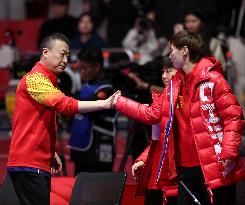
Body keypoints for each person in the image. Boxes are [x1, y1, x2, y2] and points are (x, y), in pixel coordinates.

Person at [113, 30, 245, 205]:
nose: (169, 55)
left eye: (171, 50)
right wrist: (118, 101)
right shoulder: (174, 85)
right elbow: (152, 114)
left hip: (214, 166)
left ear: (184, 51)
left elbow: (234, 116)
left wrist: (229, 151)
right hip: (184, 170)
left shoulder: (213, 79)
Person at [7, 33, 119, 205]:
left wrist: (50, 152)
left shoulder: (48, 82)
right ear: (46, 52)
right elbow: (65, 105)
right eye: (62, 54)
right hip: (29, 163)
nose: (66, 60)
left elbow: (40, 123)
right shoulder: (35, 79)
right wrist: (103, 104)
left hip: (35, 163)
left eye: (68, 55)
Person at [132, 56, 178, 205]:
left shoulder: (184, 102)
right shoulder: (159, 100)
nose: (164, 76)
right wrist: (143, 159)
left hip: (177, 177)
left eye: (168, 71)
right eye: (162, 72)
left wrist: (118, 102)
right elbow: (156, 140)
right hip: (156, 177)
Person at [68, 47, 117, 174]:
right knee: (79, 189)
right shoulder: (86, 86)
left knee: (99, 189)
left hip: (99, 147)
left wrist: (63, 95)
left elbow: (87, 103)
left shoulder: (107, 89)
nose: (82, 72)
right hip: (81, 147)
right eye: (80, 68)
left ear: (97, 67)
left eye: (85, 68)